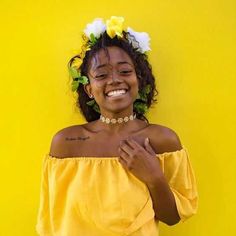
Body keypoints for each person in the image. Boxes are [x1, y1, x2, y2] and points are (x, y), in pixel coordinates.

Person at [36, 16, 198, 236]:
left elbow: (172, 217)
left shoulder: (162, 140)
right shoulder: (65, 144)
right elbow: (52, 222)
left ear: (139, 81)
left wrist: (154, 176)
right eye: (102, 74)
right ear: (89, 89)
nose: (114, 80)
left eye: (124, 71)